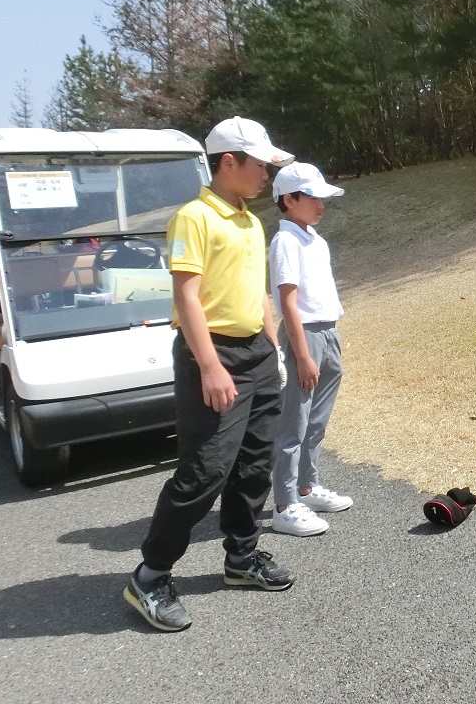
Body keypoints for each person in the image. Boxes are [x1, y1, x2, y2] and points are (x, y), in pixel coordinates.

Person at [124, 116, 298, 632]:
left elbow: (257, 292)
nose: (267, 174)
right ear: (228, 162)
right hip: (214, 353)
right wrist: (210, 366)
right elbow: (186, 295)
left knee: (255, 464)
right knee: (205, 471)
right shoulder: (194, 217)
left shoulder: (250, 221)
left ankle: (241, 558)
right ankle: (150, 576)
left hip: (257, 354)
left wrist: (273, 348)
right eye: (260, 164)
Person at [268, 162, 352, 537]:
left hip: (327, 331)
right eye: (313, 197)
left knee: (316, 419)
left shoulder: (314, 239)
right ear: (289, 199)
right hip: (303, 336)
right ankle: (285, 504)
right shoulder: (284, 241)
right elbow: (287, 302)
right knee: (295, 422)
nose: (321, 205)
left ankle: (307, 486)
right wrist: (302, 355)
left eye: (323, 198)